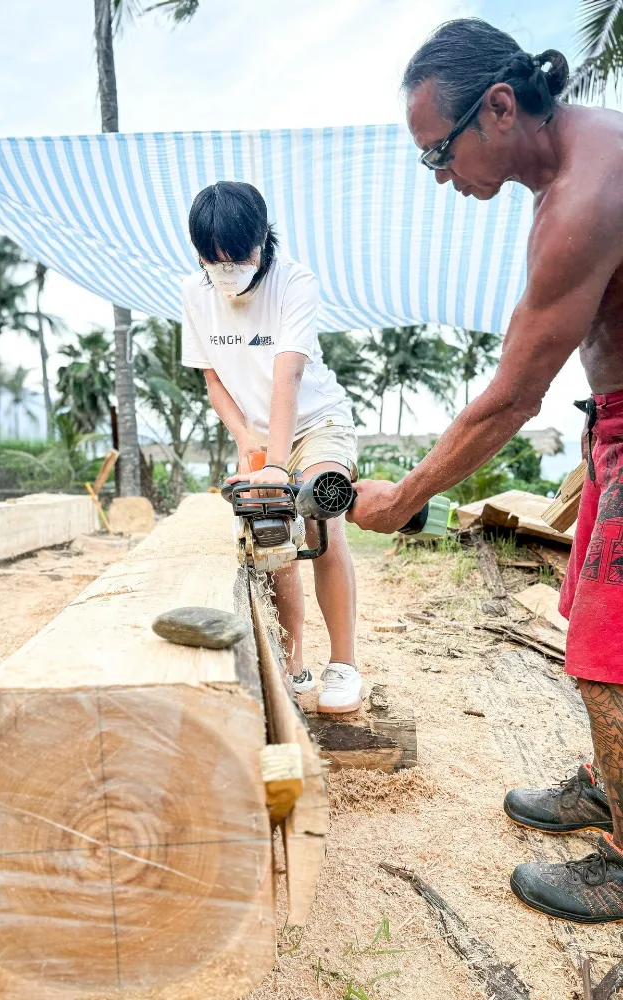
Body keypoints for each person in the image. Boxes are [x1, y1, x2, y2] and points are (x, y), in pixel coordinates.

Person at [348, 16, 623, 923]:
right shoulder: (565, 176)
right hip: (613, 422)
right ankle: (607, 782)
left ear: (499, 108)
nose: (439, 178)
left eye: (438, 154)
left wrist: (404, 498)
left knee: (606, 658)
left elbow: (512, 399)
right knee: (587, 610)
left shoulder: (587, 193)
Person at [181, 180, 362, 713]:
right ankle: (293, 663)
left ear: (261, 244)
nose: (226, 270)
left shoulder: (294, 282)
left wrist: (279, 466)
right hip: (259, 431)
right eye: (213, 262)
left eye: (236, 258)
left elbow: (289, 374)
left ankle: (344, 665)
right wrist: (248, 440)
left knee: (320, 514)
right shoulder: (194, 293)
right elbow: (214, 381)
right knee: (273, 529)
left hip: (314, 420)